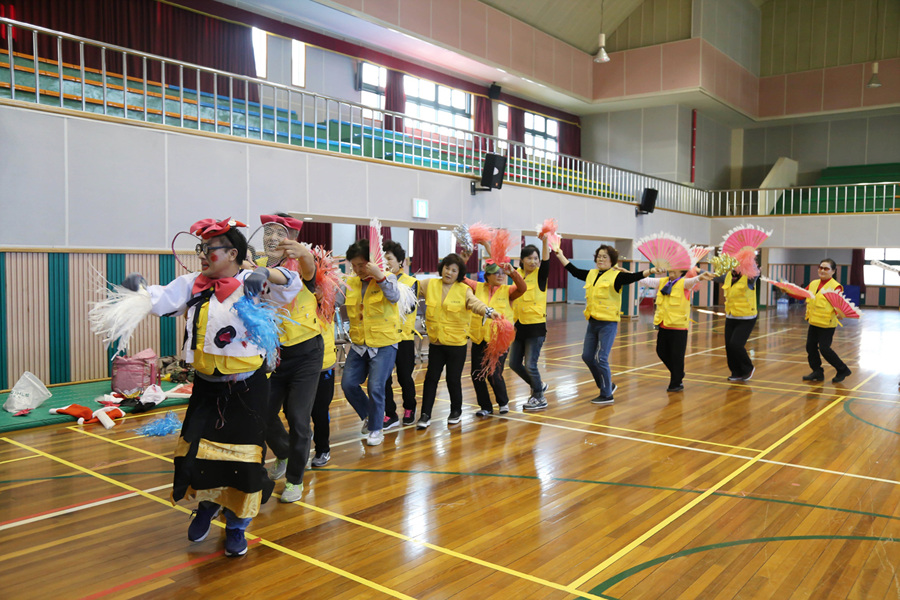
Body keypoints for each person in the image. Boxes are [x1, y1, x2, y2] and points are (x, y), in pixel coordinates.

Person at [121, 217, 302, 557]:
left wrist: (267, 273)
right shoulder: (193, 284)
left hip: (247, 390)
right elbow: (160, 300)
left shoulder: (251, 280)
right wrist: (141, 290)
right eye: (200, 248)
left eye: (210, 249)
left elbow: (292, 282)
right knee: (197, 455)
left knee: (244, 463)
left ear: (233, 253)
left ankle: (236, 525)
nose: (203, 255)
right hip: (205, 388)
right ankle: (207, 505)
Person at [256, 214, 324, 504]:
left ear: (293, 238)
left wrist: (305, 255)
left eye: (279, 233)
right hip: (274, 354)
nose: (272, 238)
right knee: (263, 413)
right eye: (268, 233)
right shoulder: (258, 265)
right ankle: (283, 452)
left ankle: (295, 479)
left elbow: (310, 273)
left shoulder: (305, 263)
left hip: (306, 353)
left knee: (298, 417)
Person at [554, 244, 660, 404]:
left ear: (612, 260)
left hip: (608, 324)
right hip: (592, 323)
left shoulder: (616, 276)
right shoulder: (591, 274)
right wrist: (560, 255)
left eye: (604, 257)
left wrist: (651, 270)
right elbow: (573, 270)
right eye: (599, 256)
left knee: (601, 358)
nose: (601, 259)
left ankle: (607, 395)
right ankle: (607, 385)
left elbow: (635, 277)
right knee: (587, 356)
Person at [417, 253, 496, 429]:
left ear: (459, 274)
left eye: (454, 270)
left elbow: (476, 304)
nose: (449, 272)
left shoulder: (464, 290)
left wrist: (489, 311)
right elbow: (410, 287)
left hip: (456, 344)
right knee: (431, 379)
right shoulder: (430, 284)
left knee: (453, 379)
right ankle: (425, 414)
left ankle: (456, 411)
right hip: (436, 343)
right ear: (442, 268)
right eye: (447, 268)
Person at [340, 239, 401, 447]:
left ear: (371, 262)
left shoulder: (388, 277)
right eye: (353, 265)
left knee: (376, 386)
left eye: (361, 265)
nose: (357, 270)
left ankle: (376, 428)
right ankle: (370, 415)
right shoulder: (351, 282)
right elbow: (336, 300)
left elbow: (394, 296)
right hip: (359, 344)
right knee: (348, 384)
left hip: (384, 343)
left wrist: (380, 277)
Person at [466, 260, 526, 416]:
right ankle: (485, 406)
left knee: (494, 373)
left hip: (499, 341)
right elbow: (461, 278)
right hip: (479, 338)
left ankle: (503, 402)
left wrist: (512, 273)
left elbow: (522, 288)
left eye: (502, 273)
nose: (500, 276)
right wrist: (465, 258)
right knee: (477, 374)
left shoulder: (508, 290)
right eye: (496, 273)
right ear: (487, 275)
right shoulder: (477, 287)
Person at [640, 268, 709, 392]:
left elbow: (693, 281)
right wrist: (628, 274)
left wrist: (700, 277)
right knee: (661, 351)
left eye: (674, 270)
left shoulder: (685, 283)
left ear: (681, 271)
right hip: (663, 324)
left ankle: (676, 383)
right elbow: (646, 280)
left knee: (677, 356)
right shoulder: (663, 281)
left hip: (678, 326)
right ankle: (679, 373)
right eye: (670, 269)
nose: (671, 272)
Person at [509, 237, 551, 410]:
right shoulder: (516, 274)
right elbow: (501, 263)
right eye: (529, 258)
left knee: (530, 365)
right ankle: (539, 385)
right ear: (522, 260)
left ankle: (539, 397)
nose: (533, 261)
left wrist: (545, 241)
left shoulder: (540, 275)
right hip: (518, 326)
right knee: (514, 364)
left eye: (536, 258)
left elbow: (546, 262)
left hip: (535, 327)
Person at [382, 240, 418, 429]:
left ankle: (410, 408)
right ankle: (390, 413)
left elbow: (408, 307)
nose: (386, 262)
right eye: (383, 258)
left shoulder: (411, 282)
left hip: (404, 338)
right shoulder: (378, 281)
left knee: (405, 377)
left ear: (400, 261)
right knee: (384, 379)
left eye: (389, 258)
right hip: (384, 338)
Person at [802, 258, 851, 383]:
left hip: (827, 324)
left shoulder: (835, 287)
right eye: (820, 268)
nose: (822, 270)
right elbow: (802, 294)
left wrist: (840, 313)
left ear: (833, 271)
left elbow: (839, 306)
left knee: (824, 349)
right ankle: (817, 372)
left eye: (826, 268)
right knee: (810, 347)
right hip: (814, 321)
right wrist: (788, 290)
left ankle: (843, 369)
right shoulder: (813, 283)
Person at [711, 264, 759, 382]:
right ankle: (736, 372)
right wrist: (697, 270)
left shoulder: (749, 277)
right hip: (731, 316)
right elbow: (713, 276)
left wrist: (750, 262)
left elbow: (756, 273)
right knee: (729, 346)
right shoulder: (727, 276)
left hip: (746, 317)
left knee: (736, 344)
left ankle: (748, 368)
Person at [310, 285, 339, 468]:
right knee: (292, 410)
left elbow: (339, 297)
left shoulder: (329, 295)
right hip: (295, 363)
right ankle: (303, 441)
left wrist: (324, 294)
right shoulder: (291, 290)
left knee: (319, 410)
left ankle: (322, 449)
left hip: (323, 363)